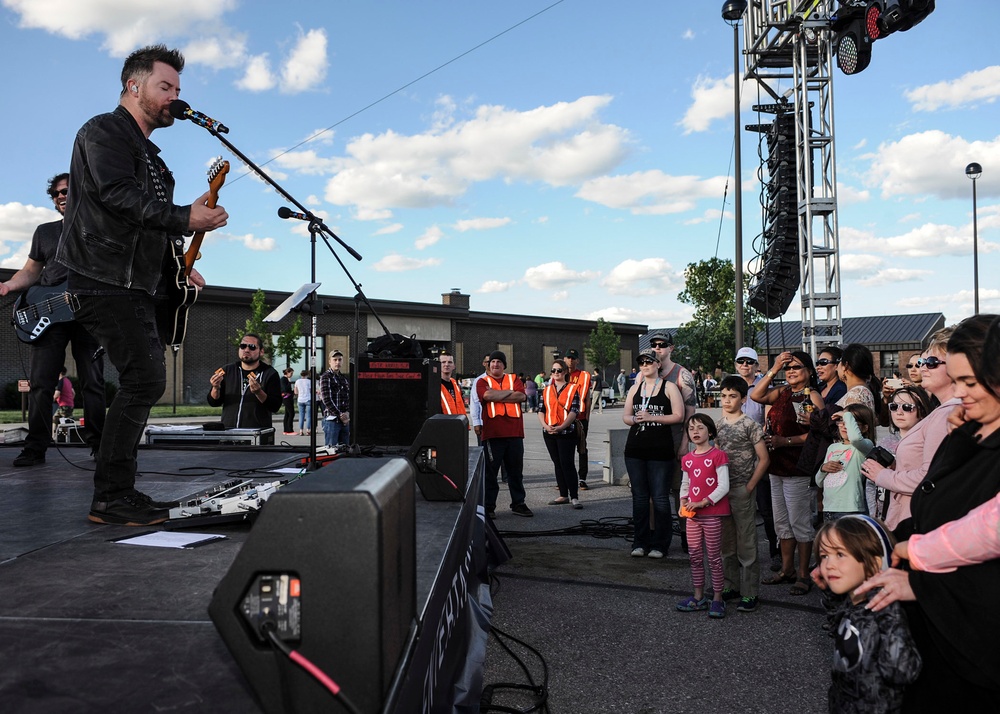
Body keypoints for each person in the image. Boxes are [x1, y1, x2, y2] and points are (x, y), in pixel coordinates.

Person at [55, 45, 228, 525]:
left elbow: (149, 224)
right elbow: (116, 197)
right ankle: (111, 495)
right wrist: (181, 216)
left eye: (178, 89)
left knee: (143, 378)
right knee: (146, 378)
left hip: (133, 281)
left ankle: (115, 493)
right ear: (134, 87)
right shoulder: (103, 131)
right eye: (165, 87)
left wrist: (179, 261)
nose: (174, 97)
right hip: (101, 276)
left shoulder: (155, 160)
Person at [856, 314, 1000, 708]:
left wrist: (914, 556)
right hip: (940, 627)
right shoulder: (966, 428)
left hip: (976, 647)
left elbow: (987, 529)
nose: (960, 393)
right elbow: (933, 501)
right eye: (957, 380)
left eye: (969, 383)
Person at [0, 173, 106, 466]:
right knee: (40, 384)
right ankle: (36, 448)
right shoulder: (44, 232)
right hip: (48, 313)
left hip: (89, 313)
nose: (61, 196)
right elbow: (32, 271)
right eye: (56, 193)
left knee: (93, 383)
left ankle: (100, 447)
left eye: (67, 191)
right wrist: (7, 286)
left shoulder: (103, 226)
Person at [812, 516, 922, 713]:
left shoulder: (885, 608)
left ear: (874, 563)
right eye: (824, 556)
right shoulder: (852, 603)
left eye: (839, 554)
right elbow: (840, 629)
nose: (828, 565)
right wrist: (830, 593)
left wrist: (889, 613)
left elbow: (902, 671)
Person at [862, 327, 960, 539]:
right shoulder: (943, 412)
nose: (922, 368)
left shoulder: (947, 414)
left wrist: (883, 475)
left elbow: (931, 477)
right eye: (921, 362)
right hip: (913, 517)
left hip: (917, 522)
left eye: (931, 363)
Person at [750, 350, 824, 595]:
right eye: (788, 368)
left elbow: (818, 433)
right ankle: (786, 568)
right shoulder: (783, 392)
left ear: (809, 371)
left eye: (797, 367)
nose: (791, 371)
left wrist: (786, 441)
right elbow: (756, 394)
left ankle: (803, 574)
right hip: (776, 467)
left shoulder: (812, 395)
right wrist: (774, 367)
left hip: (797, 468)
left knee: (799, 522)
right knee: (782, 523)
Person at [715, 376, 769, 613]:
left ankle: (750, 592)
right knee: (726, 542)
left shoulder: (750, 425)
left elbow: (764, 459)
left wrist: (750, 486)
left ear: (743, 399)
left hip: (741, 489)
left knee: (746, 541)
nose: (728, 400)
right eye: (724, 395)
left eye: (733, 396)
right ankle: (731, 585)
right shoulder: (716, 426)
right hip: (721, 491)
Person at [622, 349, 683, 559]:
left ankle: (660, 544)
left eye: (650, 362)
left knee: (659, 498)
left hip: (660, 450)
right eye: (642, 363)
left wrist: (650, 417)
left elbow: (678, 415)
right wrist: (636, 420)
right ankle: (640, 542)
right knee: (639, 498)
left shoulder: (669, 387)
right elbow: (626, 416)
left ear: (658, 364)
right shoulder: (635, 388)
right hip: (635, 449)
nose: (645, 365)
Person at [677, 413, 731, 618]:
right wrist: (683, 501)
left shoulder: (718, 455)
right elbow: (686, 483)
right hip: (693, 516)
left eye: (700, 428)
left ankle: (718, 598)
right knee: (695, 556)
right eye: (691, 429)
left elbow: (724, 485)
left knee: (715, 558)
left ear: (710, 431)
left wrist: (702, 502)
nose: (695, 432)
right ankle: (698, 596)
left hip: (712, 515)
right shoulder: (688, 459)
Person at [862, 386, 933, 533]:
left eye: (907, 407)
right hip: (883, 515)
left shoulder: (928, 442)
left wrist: (888, 474)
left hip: (912, 517)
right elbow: (870, 484)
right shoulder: (884, 442)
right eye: (894, 406)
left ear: (922, 411)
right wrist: (873, 514)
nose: (899, 412)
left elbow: (925, 479)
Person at [736, 347, 780, 571]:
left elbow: (768, 420)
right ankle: (741, 553)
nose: (745, 365)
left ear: (756, 365)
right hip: (737, 455)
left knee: (766, 507)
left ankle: (776, 551)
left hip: (759, 452)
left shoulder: (764, 387)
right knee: (740, 508)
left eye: (749, 361)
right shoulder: (733, 386)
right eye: (740, 361)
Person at [478, 351, 532, 518]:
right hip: (493, 434)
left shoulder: (514, 379)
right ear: (488, 364)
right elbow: (486, 395)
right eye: (492, 361)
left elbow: (521, 396)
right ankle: (488, 506)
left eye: (499, 362)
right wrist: (509, 393)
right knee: (490, 473)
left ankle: (518, 503)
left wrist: (497, 395)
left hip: (515, 433)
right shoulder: (482, 381)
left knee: (515, 472)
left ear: (504, 365)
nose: (495, 364)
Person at [207, 334, 282, 430]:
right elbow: (214, 402)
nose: (246, 350)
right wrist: (215, 388)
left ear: (261, 352)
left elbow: (275, 406)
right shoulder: (228, 370)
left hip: (256, 433)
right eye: (243, 346)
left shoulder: (269, 373)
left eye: (252, 347)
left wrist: (259, 392)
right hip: (229, 432)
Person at [815, 405, 876, 520]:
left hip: (850, 509)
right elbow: (819, 482)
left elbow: (855, 439)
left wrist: (846, 414)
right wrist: (823, 468)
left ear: (864, 428)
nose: (844, 426)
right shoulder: (832, 447)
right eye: (841, 421)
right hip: (829, 508)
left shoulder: (865, 446)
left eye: (851, 422)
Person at [537, 359, 581, 509]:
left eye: (559, 370)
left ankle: (574, 496)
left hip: (566, 431)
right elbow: (541, 410)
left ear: (565, 372)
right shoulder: (547, 390)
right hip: (549, 431)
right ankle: (563, 495)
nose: (556, 373)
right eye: (553, 370)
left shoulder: (573, 388)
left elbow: (574, 411)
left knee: (567, 463)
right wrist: (545, 426)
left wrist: (562, 426)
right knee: (557, 463)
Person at [564, 349, 592, 490]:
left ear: (577, 361)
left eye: (573, 358)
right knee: (565, 450)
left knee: (581, 448)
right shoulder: (560, 374)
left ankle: (582, 478)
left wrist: (587, 416)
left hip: (580, 418)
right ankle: (564, 478)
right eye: (568, 357)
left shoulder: (583, 376)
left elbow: (587, 397)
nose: (570, 360)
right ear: (564, 359)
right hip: (563, 418)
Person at [318, 349, 351, 447]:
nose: (337, 362)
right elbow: (326, 399)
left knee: (345, 450)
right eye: (335, 360)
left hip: (345, 420)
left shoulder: (343, 378)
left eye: (340, 360)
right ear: (329, 361)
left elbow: (348, 397)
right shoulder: (326, 377)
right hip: (332, 420)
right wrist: (340, 415)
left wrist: (347, 413)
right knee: (330, 450)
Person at [836, 343, 878, 411]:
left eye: (839, 362)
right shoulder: (862, 391)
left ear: (845, 365)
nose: (836, 368)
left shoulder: (857, 395)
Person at [438, 351, 467, 424]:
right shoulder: (435, 384)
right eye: (443, 362)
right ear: (438, 365)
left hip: (458, 424)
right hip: (443, 425)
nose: (446, 365)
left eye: (450, 362)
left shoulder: (454, 383)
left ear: (454, 366)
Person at [52, 367, 76, 432]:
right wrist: (70, 400)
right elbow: (73, 393)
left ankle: (65, 436)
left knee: (64, 421)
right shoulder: (68, 381)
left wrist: (52, 399)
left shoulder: (61, 381)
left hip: (63, 405)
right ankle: (55, 433)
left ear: (59, 373)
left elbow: (57, 394)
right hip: (69, 404)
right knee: (55, 418)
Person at [294, 370, 312, 435]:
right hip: (308, 399)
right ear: (307, 375)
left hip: (300, 399)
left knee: (301, 415)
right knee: (309, 416)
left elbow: (295, 391)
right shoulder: (309, 382)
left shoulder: (297, 381)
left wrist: (298, 395)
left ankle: (301, 430)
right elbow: (310, 390)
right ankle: (308, 430)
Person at [280, 368, 296, 435]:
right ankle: (289, 430)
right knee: (291, 413)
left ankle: (286, 430)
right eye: (291, 373)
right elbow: (285, 389)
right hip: (286, 397)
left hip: (289, 397)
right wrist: (289, 382)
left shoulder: (285, 379)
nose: (291, 375)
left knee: (287, 413)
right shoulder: (283, 379)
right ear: (287, 373)